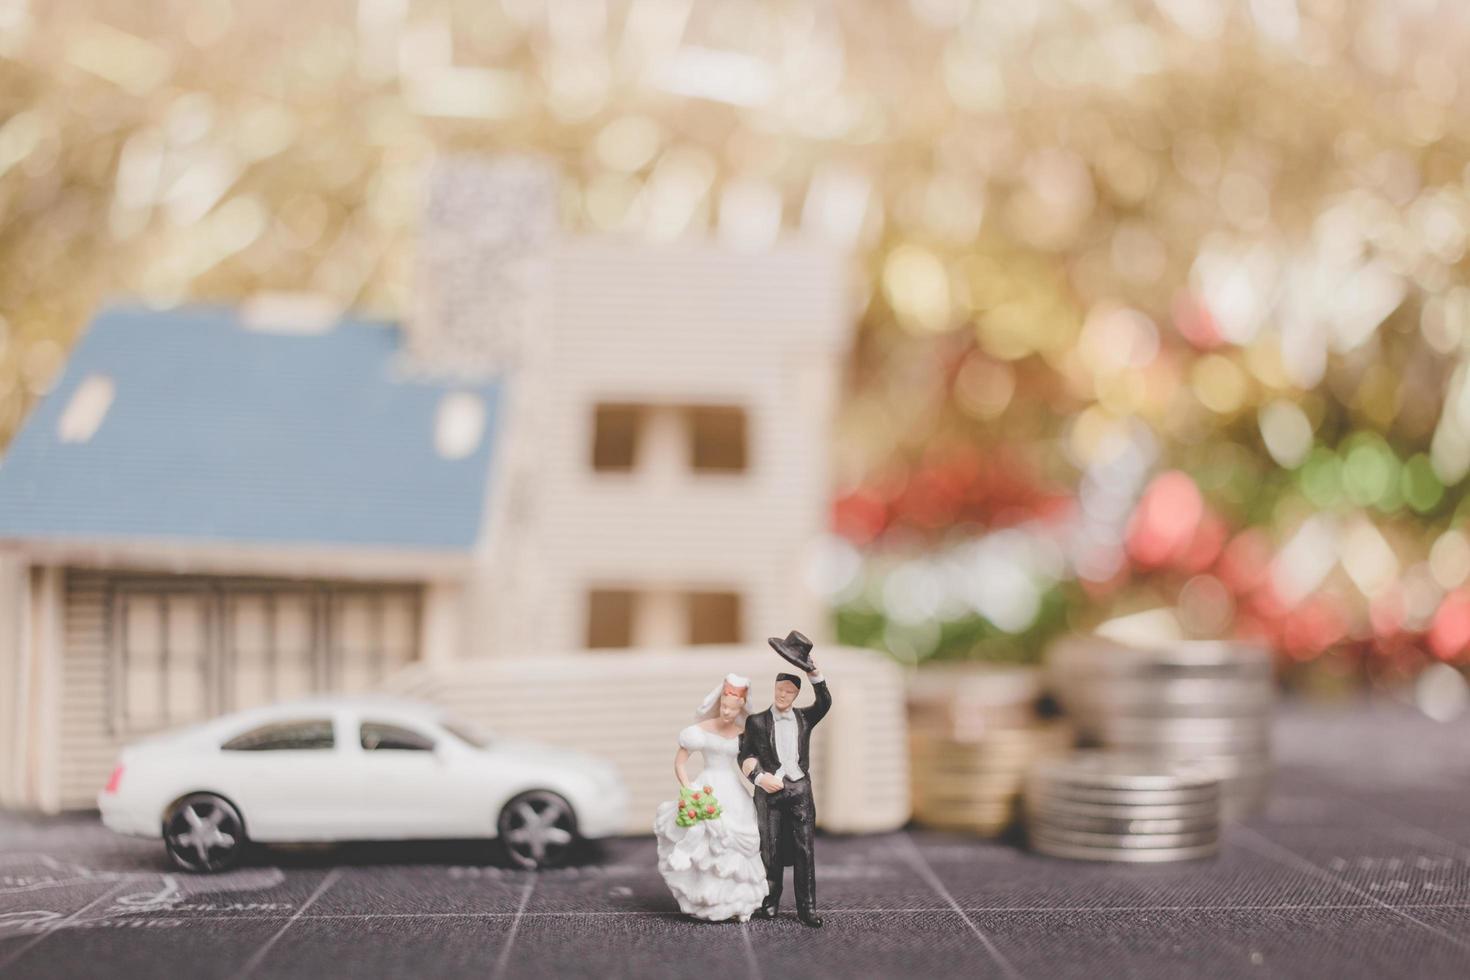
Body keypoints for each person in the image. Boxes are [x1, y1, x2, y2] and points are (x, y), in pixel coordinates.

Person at [653, 673, 769, 922]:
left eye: (732, 709)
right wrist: (689, 788)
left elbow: (750, 763)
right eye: (724, 707)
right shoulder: (700, 731)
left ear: (740, 708)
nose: (727, 712)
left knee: (739, 839)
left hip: (732, 789)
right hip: (707, 786)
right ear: (719, 704)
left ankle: (738, 901)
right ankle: (704, 898)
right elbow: (681, 763)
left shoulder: (743, 733)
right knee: (706, 838)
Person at [738, 631, 831, 928]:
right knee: (770, 848)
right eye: (779, 690)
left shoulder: (805, 718)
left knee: (805, 850)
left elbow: (826, 701)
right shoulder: (756, 722)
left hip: (800, 788)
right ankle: (769, 901)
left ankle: (808, 908)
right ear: (774, 690)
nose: (782, 695)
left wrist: (813, 671)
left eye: (789, 692)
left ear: (795, 695)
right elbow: (744, 755)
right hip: (770, 791)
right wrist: (759, 777)